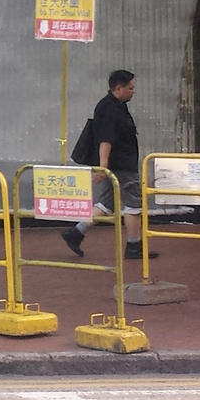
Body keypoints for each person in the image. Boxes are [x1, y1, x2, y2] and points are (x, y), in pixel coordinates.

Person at [60, 69, 156, 260]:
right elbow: (106, 139)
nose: (133, 91)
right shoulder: (110, 109)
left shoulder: (114, 106)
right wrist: (103, 168)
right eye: (130, 88)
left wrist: (104, 167)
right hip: (121, 166)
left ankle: (76, 233)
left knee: (105, 204)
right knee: (133, 205)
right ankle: (134, 246)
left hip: (115, 165)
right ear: (119, 88)